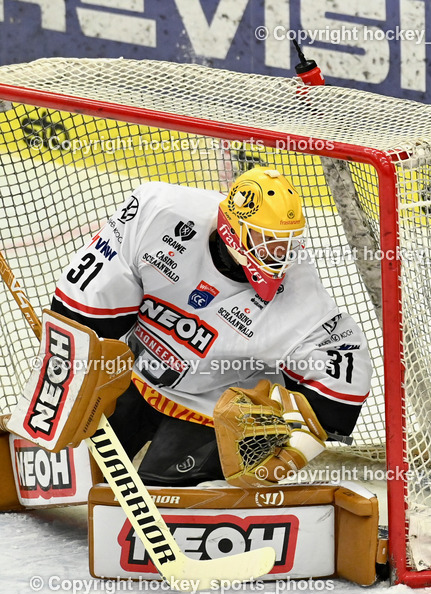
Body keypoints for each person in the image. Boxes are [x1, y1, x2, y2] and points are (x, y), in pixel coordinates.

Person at [50, 167, 373, 486]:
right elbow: (86, 307)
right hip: (134, 379)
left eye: (286, 243)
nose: (280, 256)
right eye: (266, 241)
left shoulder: (302, 300)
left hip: (210, 411)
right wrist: (75, 366)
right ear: (232, 229)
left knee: (161, 493)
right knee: (68, 465)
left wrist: (297, 450)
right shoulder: (160, 212)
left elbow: (342, 387)